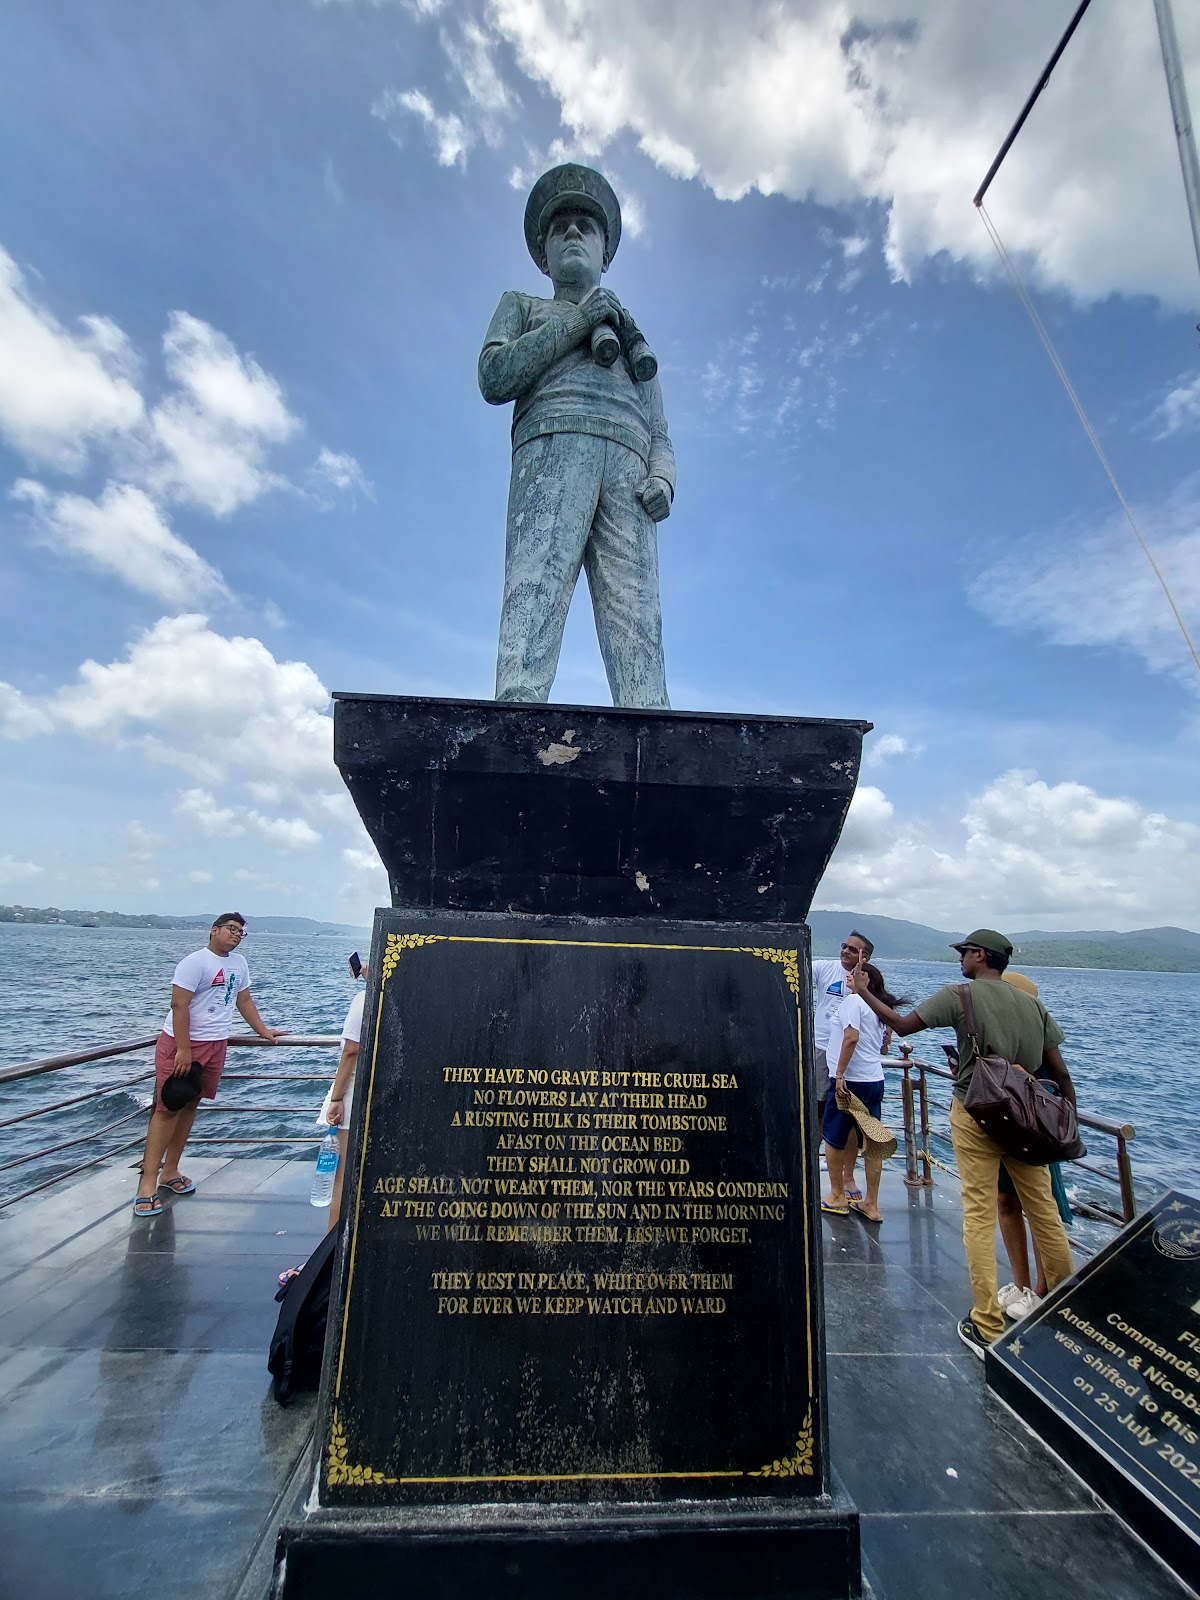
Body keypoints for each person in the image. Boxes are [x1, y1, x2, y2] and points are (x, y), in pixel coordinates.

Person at [479, 163, 676, 708]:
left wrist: (663, 475)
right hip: (552, 449)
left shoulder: (631, 332)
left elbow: (658, 425)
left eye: (585, 226)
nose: (572, 232)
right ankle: (518, 707)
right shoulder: (523, 306)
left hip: (630, 468)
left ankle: (647, 717)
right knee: (536, 584)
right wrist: (577, 321)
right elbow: (494, 377)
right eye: (560, 225)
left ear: (605, 253)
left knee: (635, 611)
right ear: (542, 254)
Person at [847, 927, 1074, 1359]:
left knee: (978, 1210)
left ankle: (987, 1322)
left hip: (977, 1111)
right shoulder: (1033, 1005)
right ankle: (1063, 1312)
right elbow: (1059, 1072)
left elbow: (902, 1026)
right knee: (1043, 1211)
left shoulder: (960, 996)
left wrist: (862, 991)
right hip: (1027, 1119)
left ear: (981, 957)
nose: (961, 959)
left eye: (966, 952)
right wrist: (1067, 1123)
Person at [133, 913, 284, 1219]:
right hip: (183, 1044)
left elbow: (244, 1000)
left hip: (216, 1043)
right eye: (231, 929)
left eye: (241, 932)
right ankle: (147, 1183)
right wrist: (184, 1050)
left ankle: (171, 1171)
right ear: (214, 930)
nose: (237, 935)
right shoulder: (195, 962)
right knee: (167, 1108)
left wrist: (263, 1031)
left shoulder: (238, 964)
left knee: (190, 1105)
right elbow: (179, 1005)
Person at [994, 969, 1077, 1321]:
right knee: (1006, 1201)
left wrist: (1067, 1118)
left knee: (1042, 1209)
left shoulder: (1039, 1033)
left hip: (1034, 1129)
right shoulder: (994, 1032)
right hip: (1002, 1127)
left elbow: (1059, 1079)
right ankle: (1021, 1283)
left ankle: (1045, 1290)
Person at [821, 962, 905, 1225]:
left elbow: (851, 1037)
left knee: (834, 1137)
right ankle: (872, 1203)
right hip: (874, 1080)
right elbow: (882, 1048)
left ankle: (837, 1195)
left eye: (855, 974)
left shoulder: (853, 1002)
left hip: (852, 1081)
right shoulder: (880, 1009)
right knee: (872, 1141)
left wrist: (840, 1073)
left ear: (866, 980)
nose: (849, 977)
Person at [812, 931, 874, 1198]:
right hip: (821, 1049)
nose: (845, 951)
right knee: (816, 1110)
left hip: (849, 1058)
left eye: (852, 949)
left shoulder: (869, 980)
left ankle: (848, 1178)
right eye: (844, 946)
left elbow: (880, 1008)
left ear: (865, 957)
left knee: (847, 1118)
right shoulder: (824, 968)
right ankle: (811, 1169)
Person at [320, 964, 367, 1230]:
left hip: (352, 1092)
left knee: (343, 1180)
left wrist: (336, 1097)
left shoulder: (363, 1000)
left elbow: (351, 1050)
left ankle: (332, 1255)